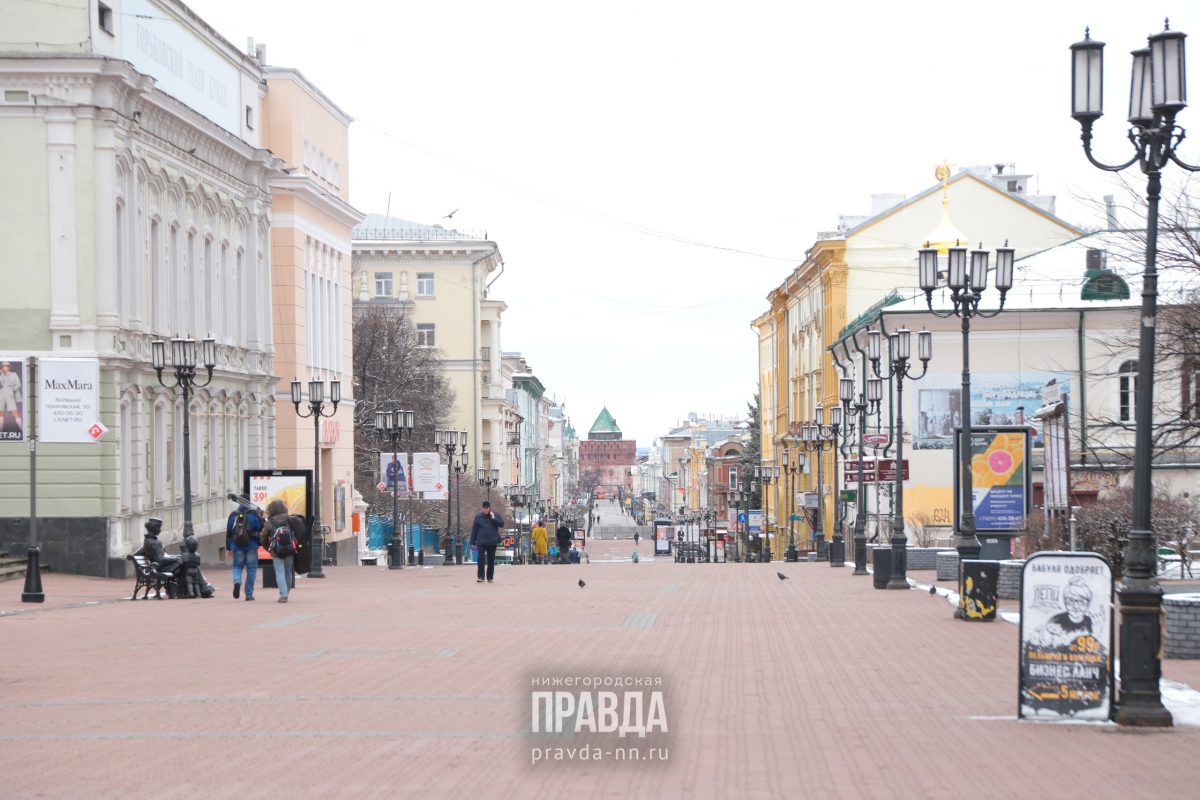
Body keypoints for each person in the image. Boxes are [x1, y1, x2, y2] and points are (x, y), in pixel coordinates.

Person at [263, 499, 302, 603]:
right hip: (290, 549)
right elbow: (298, 531)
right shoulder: (289, 519)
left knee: (279, 573)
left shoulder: (269, 522)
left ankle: (283, 594)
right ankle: (286, 593)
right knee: (288, 572)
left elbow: (263, 536)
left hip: (276, 551)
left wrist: (268, 548)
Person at [226, 499, 264, 601]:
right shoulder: (253, 514)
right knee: (251, 570)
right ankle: (249, 594)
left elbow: (229, 533)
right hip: (251, 546)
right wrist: (260, 517)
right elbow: (260, 527)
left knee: (237, 566)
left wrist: (229, 548)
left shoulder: (233, 515)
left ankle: (237, 582)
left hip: (237, 546)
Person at [470, 501, 504, 583]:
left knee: (491, 560)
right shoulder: (478, 517)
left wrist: (494, 518)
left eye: (487, 508)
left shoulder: (495, 515)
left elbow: (501, 524)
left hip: (492, 541)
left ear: (489, 508)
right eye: (484, 509)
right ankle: (481, 577)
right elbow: (474, 530)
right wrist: (472, 542)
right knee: (480, 559)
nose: (485, 510)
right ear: (482, 508)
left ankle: (490, 577)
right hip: (481, 541)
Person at [0, 361, 22, 435]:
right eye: (3, 366)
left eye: (6, 366)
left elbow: (18, 384)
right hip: (1, 393)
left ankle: (22, 429)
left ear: (9, 367)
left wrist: (12, 391)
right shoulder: (1, 375)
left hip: (10, 393)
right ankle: (0, 431)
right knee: (0, 412)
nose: (4, 367)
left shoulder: (13, 374)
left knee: (15, 411)